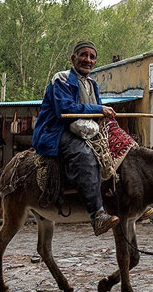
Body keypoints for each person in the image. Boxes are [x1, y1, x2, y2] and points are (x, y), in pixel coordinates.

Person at [32, 40, 120, 236]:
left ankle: (126, 202)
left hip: (84, 130)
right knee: (85, 155)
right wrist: (99, 109)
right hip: (56, 131)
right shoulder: (61, 79)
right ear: (73, 58)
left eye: (92, 57)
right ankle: (97, 216)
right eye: (83, 55)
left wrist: (104, 118)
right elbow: (65, 109)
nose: (87, 60)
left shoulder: (92, 84)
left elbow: (96, 114)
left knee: (119, 148)